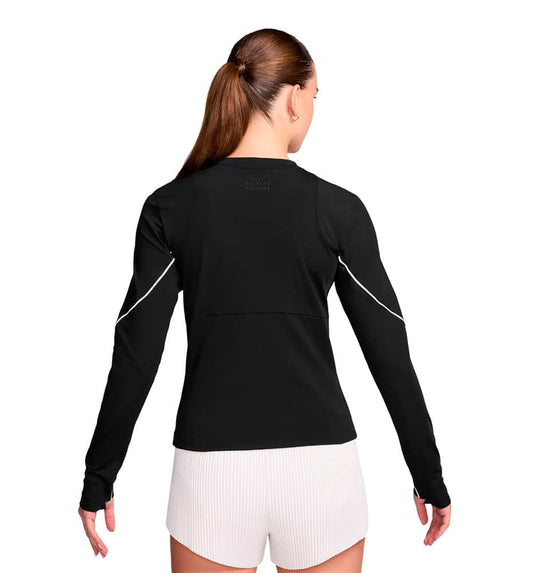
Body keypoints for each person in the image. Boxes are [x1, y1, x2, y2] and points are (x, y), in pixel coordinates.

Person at [78, 28, 451, 573]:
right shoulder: (338, 210)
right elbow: (390, 354)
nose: (313, 110)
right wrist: (428, 477)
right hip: (321, 470)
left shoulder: (170, 208)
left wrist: (99, 478)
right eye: (316, 95)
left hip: (211, 472)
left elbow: (136, 355)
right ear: (294, 97)